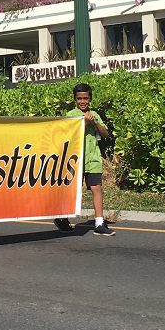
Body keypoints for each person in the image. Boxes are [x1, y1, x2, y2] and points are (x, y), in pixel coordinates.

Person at [55, 83, 115, 236]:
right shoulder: (70, 115)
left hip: (93, 158)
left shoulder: (94, 114)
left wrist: (94, 123)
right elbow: (67, 136)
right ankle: (62, 218)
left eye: (85, 98)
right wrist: (83, 123)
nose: (83, 101)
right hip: (75, 160)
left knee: (96, 188)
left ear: (90, 99)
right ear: (75, 100)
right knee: (71, 190)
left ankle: (99, 223)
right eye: (79, 98)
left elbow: (105, 134)